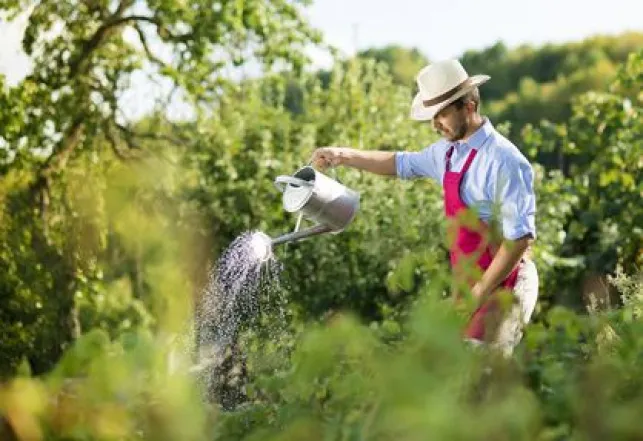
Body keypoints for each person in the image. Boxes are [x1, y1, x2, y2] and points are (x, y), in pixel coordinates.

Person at [311, 59, 539, 355]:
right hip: (470, 288)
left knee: (483, 380)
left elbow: (519, 240)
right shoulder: (447, 154)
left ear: (468, 106)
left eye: (441, 115)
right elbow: (400, 163)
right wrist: (342, 155)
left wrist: (477, 295)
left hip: (506, 284)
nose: (435, 125)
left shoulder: (504, 160)